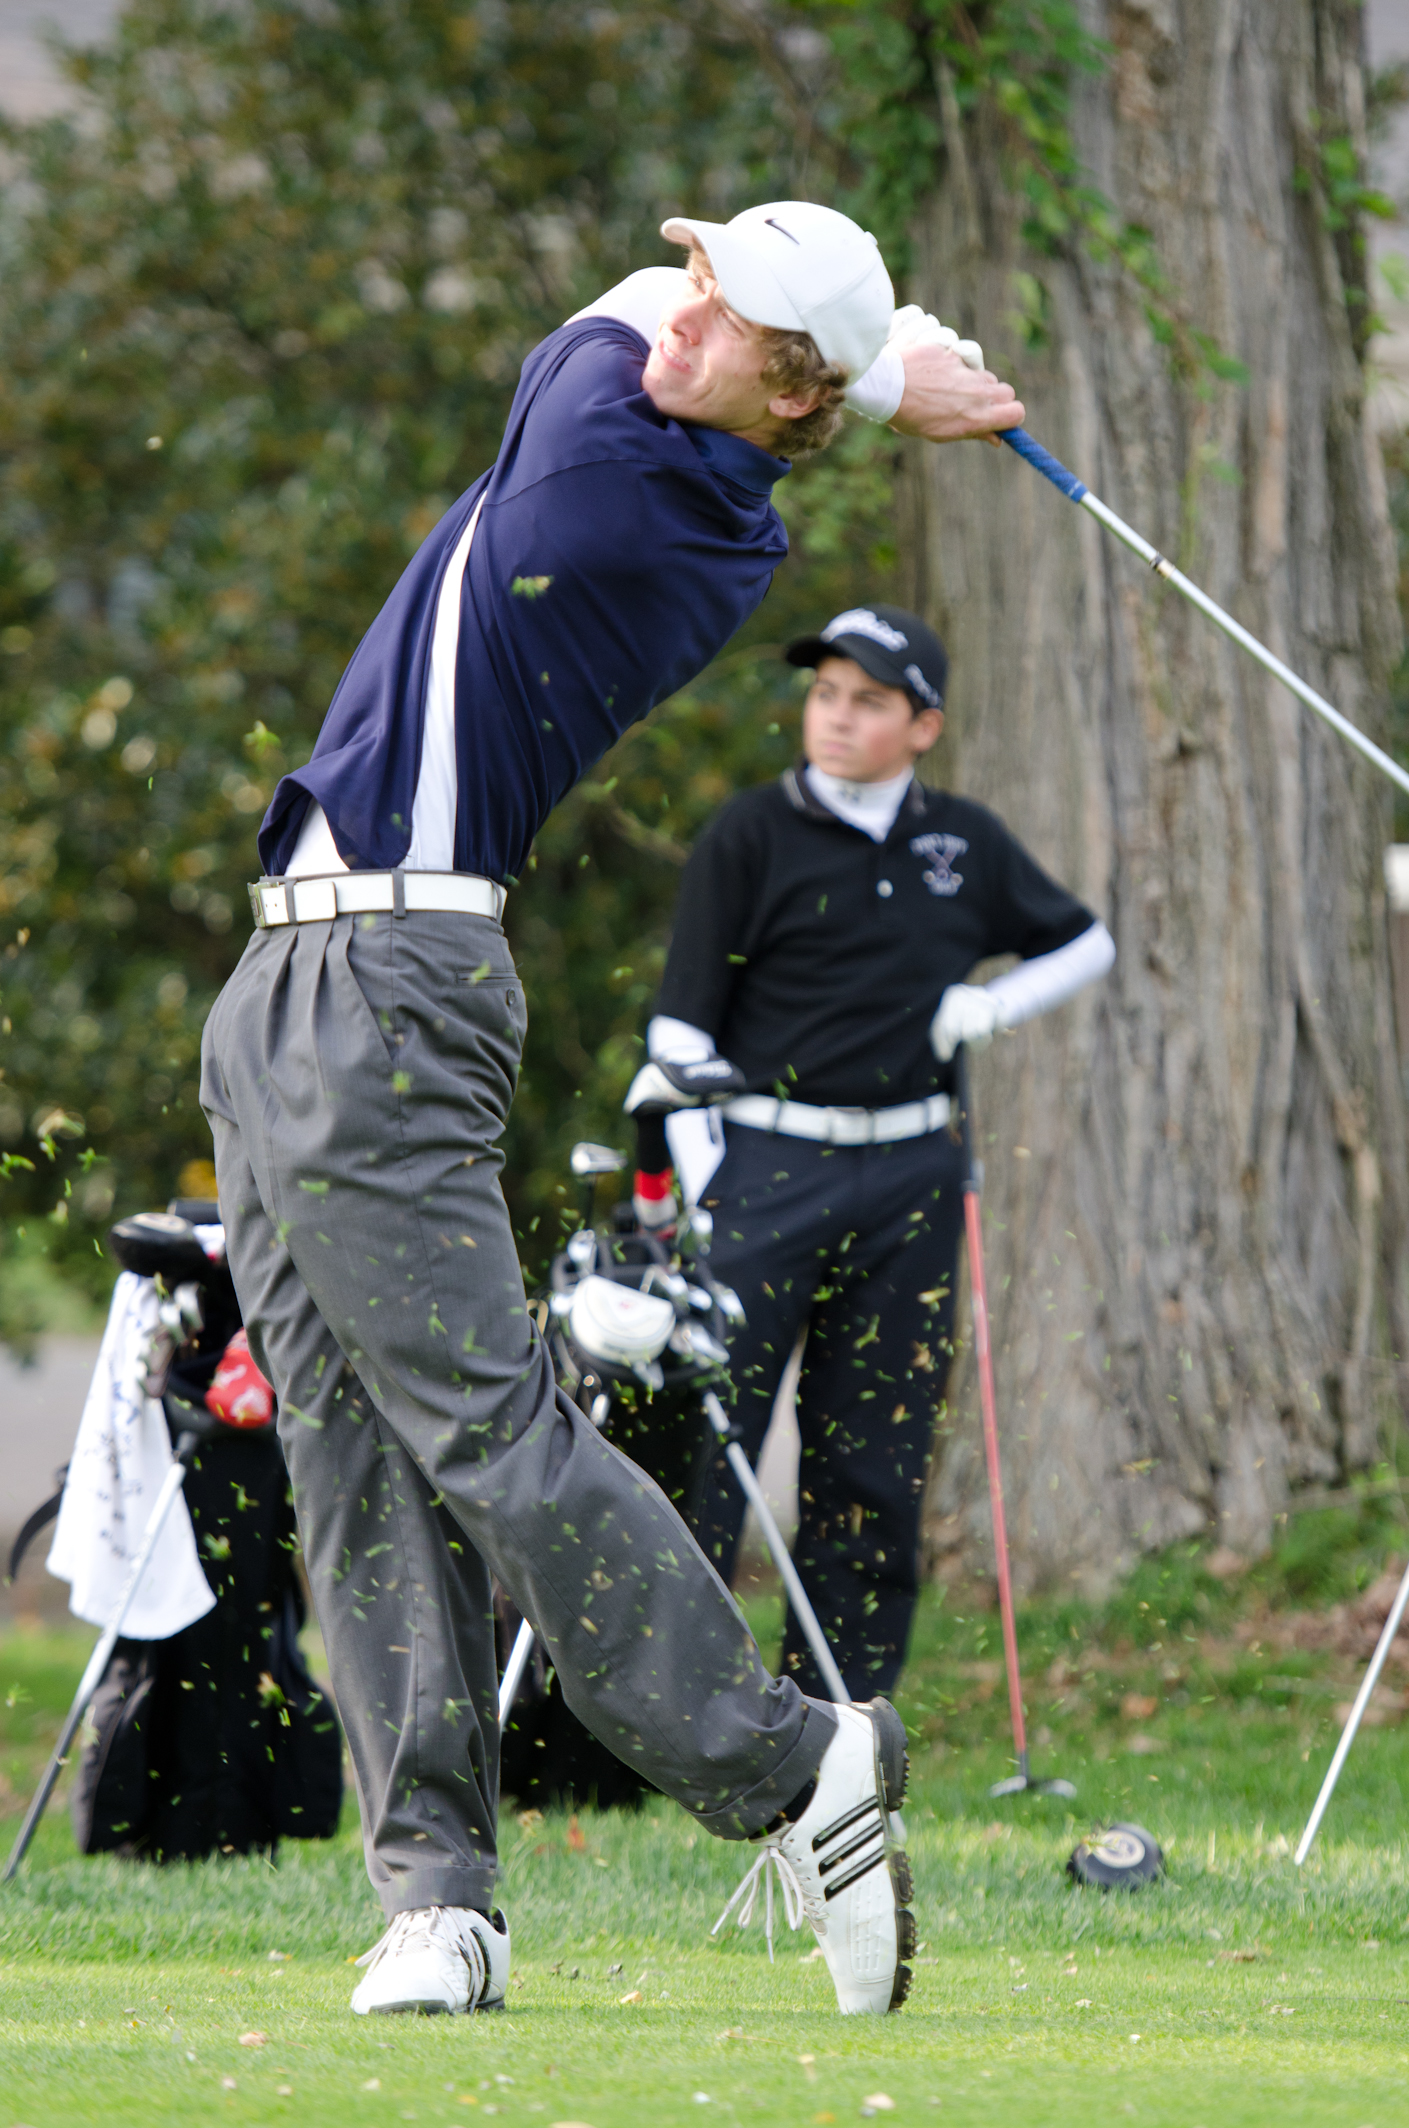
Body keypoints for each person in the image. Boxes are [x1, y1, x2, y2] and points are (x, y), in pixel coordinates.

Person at [199, 201, 1025, 2022]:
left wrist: (887, 370)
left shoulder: (618, 476)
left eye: (728, 317)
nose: (684, 319)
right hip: (296, 985)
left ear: (784, 384)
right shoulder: (699, 455)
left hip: (386, 985)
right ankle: (440, 1898)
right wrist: (880, 372)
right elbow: (662, 297)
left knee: (480, 1424)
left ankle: (783, 1757)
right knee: (343, 1444)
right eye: (703, 283)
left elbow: (609, 308)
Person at [636, 602, 1114, 1701]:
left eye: (867, 700)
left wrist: (988, 1007)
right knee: (712, 1440)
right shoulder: (748, 833)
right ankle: (678, 1711)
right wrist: (704, 1170)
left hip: (910, 1175)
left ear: (922, 727)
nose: (836, 717)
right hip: (762, 1164)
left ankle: (837, 1716)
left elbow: (1085, 941)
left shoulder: (963, 842)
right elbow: (679, 1026)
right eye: (823, 693)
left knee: (873, 1455)